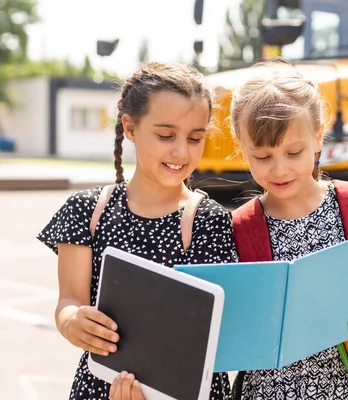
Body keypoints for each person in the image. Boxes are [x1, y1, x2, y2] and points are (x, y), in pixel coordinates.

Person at [37, 62, 236, 400]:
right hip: (104, 388)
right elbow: (70, 299)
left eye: (194, 138)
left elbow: (218, 328)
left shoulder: (211, 221)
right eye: (165, 135)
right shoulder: (87, 210)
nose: (181, 151)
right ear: (130, 128)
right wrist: (71, 321)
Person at [228, 62, 348, 399]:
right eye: (262, 157)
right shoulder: (240, 226)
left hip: (347, 388)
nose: (279, 169)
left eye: (293, 152)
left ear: (318, 137)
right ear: (242, 148)